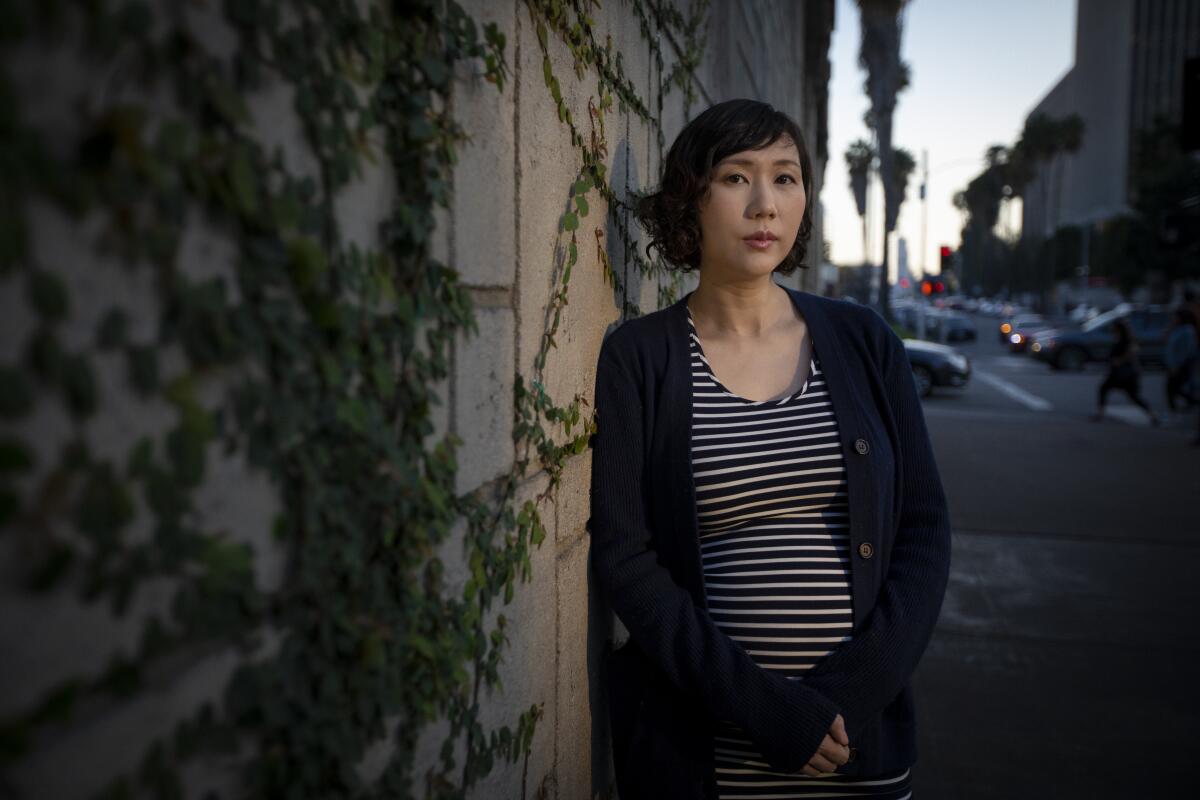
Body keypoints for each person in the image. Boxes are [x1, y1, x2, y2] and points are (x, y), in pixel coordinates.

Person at [588, 98, 950, 800]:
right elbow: (625, 557)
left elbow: (925, 530)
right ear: (690, 199)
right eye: (735, 177)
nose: (764, 204)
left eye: (785, 178)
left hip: (853, 745)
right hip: (705, 750)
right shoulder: (640, 356)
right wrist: (765, 709)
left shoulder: (863, 340)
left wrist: (841, 702)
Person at [1089, 318, 1161, 425]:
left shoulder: (1127, 340)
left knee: (1132, 396)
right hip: (1118, 373)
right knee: (1105, 389)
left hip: (1126, 374)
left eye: (1114, 328)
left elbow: (1133, 351)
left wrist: (1120, 360)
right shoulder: (1119, 339)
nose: (1112, 330)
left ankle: (1153, 416)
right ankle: (1100, 413)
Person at [1164, 308, 1198, 416]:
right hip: (1173, 364)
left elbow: (1188, 350)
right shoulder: (1177, 329)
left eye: (1175, 317)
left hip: (1181, 364)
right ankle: (1177, 409)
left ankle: (1192, 402)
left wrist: (1178, 365)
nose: (1173, 319)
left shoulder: (1187, 330)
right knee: (1173, 388)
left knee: (1174, 387)